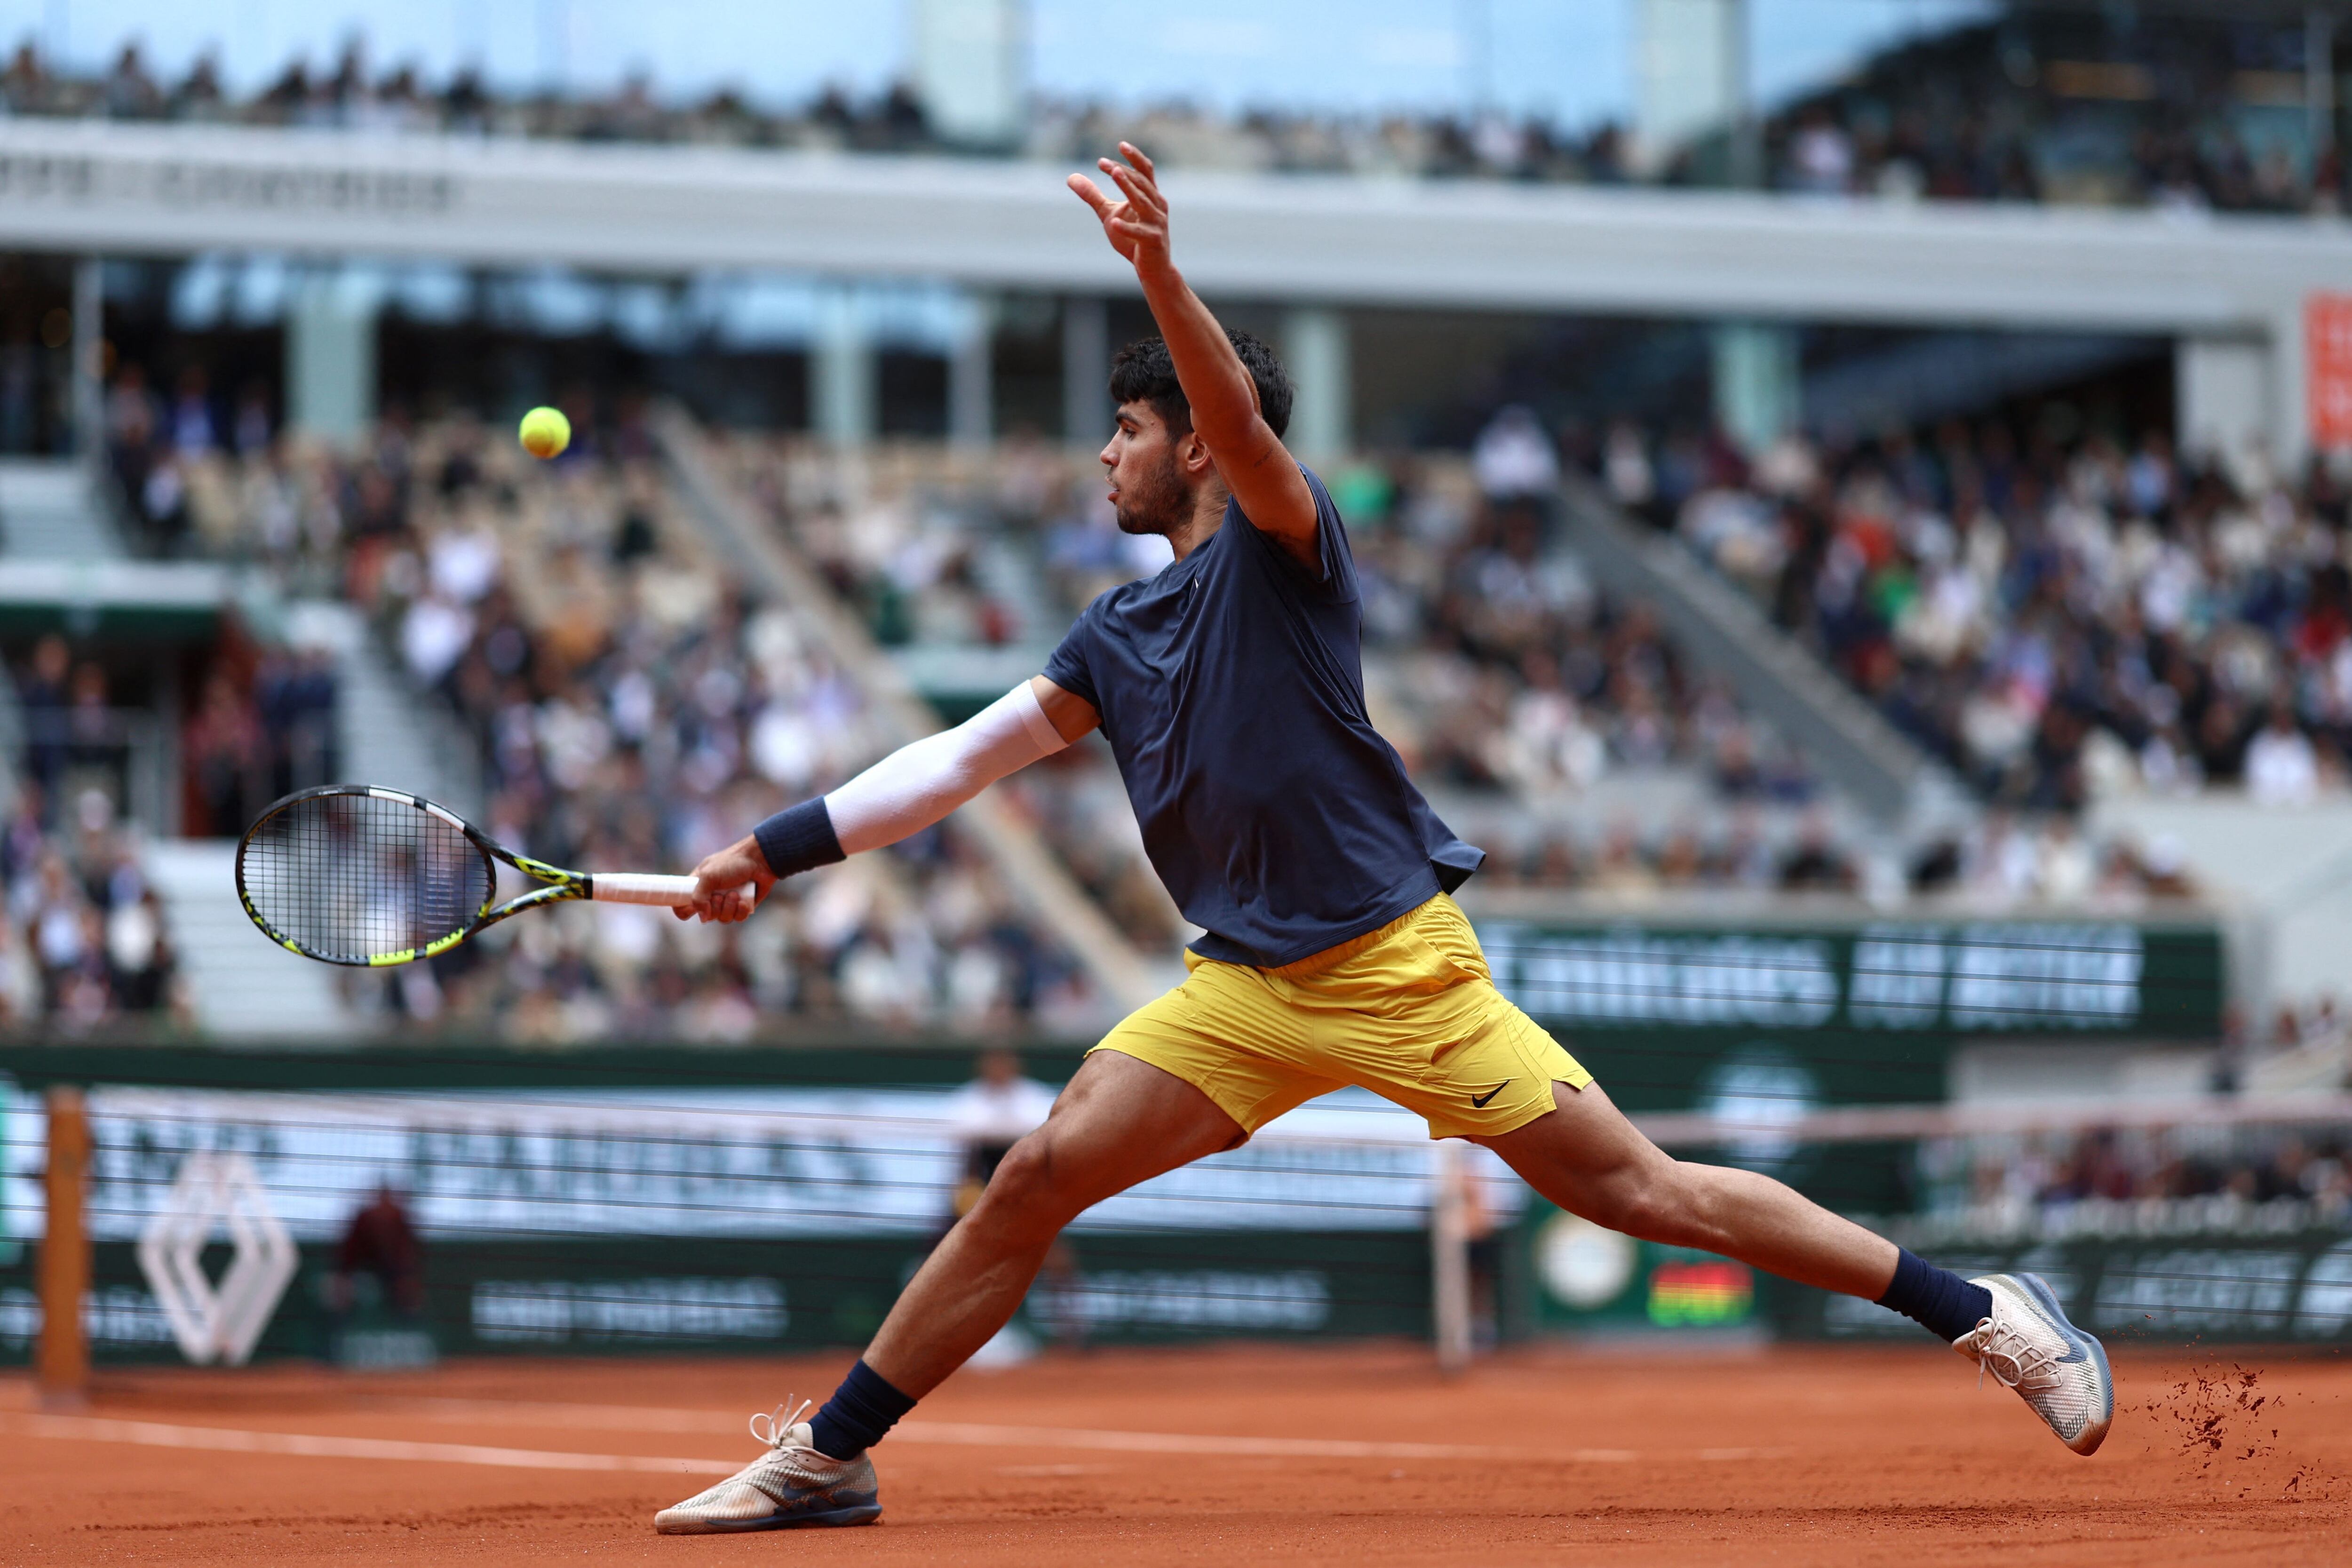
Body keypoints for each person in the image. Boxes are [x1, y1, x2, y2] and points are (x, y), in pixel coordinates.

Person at [652, 144, 2112, 1536]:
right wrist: (773, 851)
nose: (1106, 456)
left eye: (1130, 429)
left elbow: (1238, 428)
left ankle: (1985, 1312)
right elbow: (959, 760)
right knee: (1035, 1178)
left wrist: (1162, 275)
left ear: (1201, 450)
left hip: (1398, 971)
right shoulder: (1114, 632)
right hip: (1243, 993)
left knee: (1644, 1193)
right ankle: (830, 1463)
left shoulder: (1286, 548)